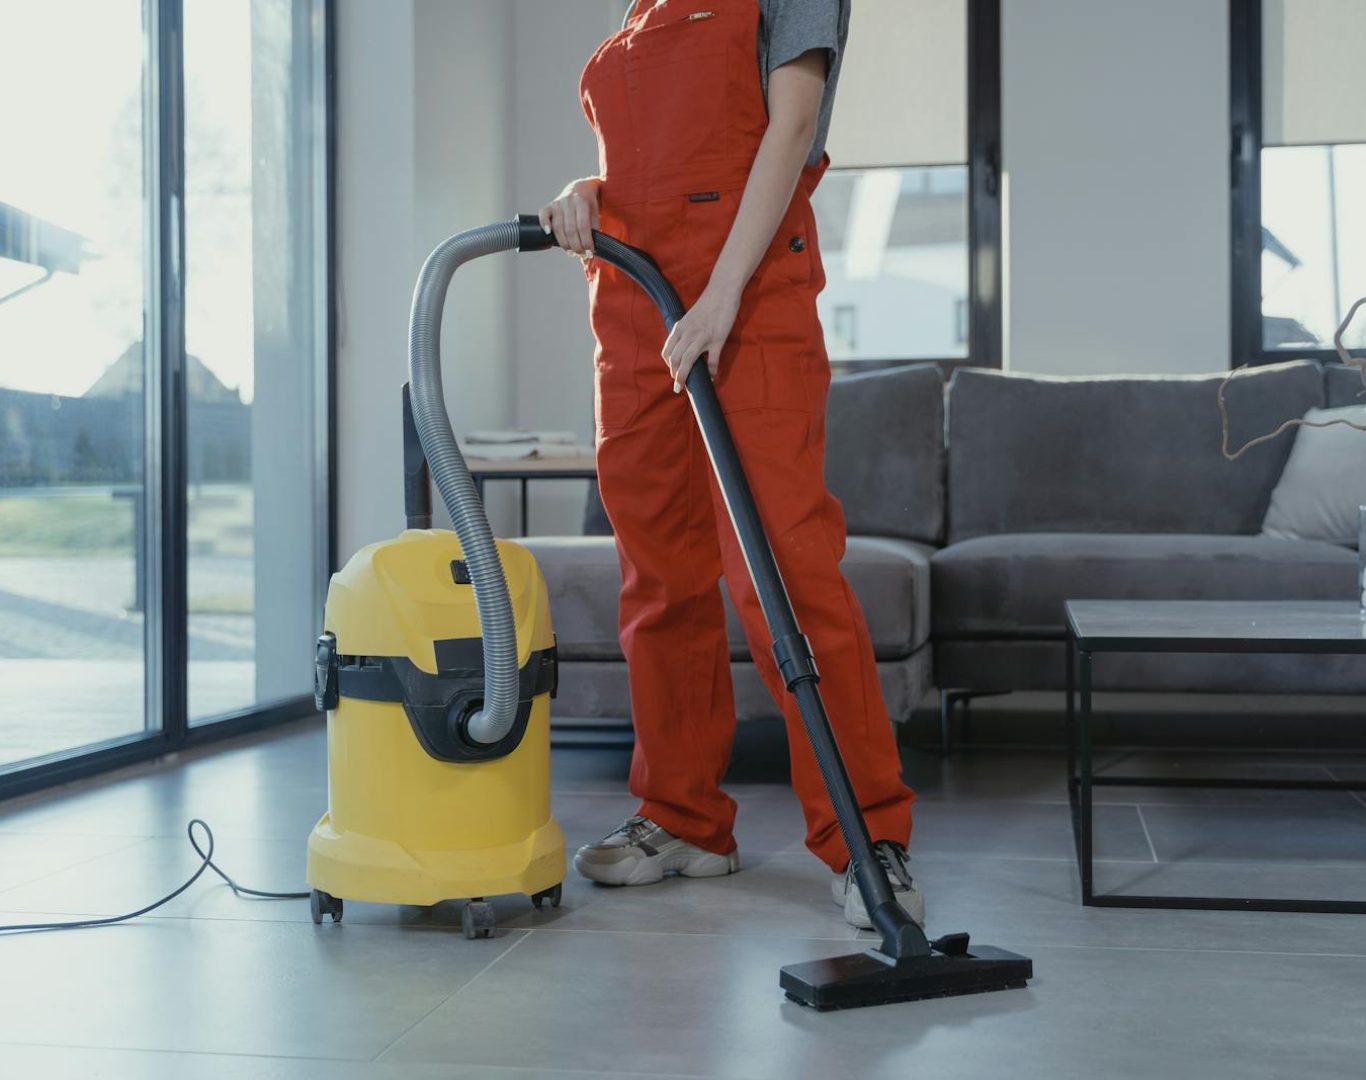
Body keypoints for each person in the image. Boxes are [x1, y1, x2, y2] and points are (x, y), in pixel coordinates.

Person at [537, 0, 922, 931]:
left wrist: (719, 298)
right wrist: (585, 194)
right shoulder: (641, 10)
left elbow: (790, 124)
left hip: (746, 301)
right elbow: (643, 166)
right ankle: (683, 821)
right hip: (634, 308)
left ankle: (868, 838)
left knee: (784, 573)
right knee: (659, 580)